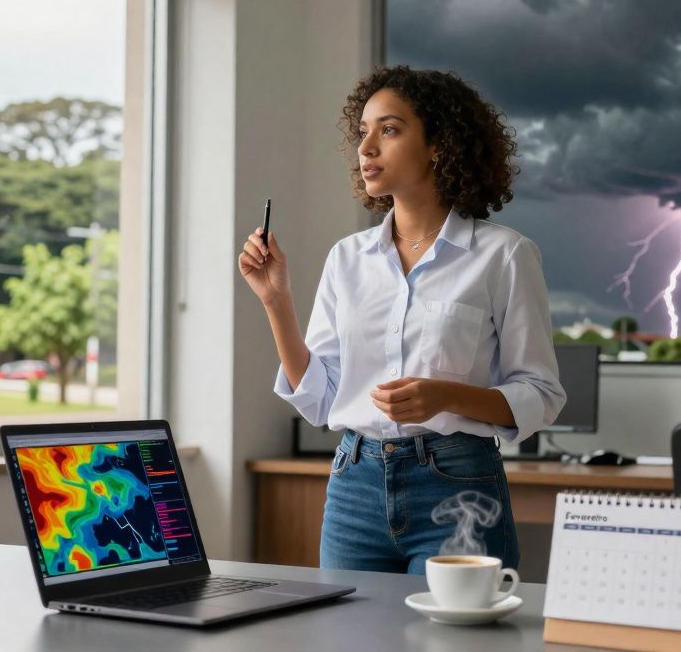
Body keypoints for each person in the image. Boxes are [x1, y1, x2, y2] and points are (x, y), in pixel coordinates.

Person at [238, 66, 566, 574]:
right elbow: (322, 401)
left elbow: (541, 395)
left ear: (439, 144)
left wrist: (445, 396)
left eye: (388, 130)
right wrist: (275, 301)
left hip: (458, 486)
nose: (366, 147)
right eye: (363, 132)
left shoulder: (504, 255)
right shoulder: (347, 259)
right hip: (354, 487)